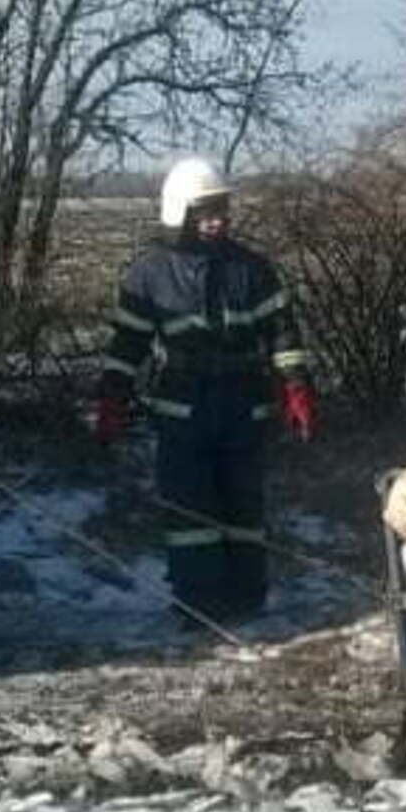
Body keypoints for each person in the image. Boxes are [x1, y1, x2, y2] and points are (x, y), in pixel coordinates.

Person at [93, 156, 316, 625]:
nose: (216, 222)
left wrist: (296, 388)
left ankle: (247, 598)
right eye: (205, 213)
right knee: (190, 512)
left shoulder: (252, 268)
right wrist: (113, 396)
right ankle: (198, 604)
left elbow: (282, 334)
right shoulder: (149, 274)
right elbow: (128, 344)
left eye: (221, 211)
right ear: (180, 212)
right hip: (182, 409)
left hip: (243, 405)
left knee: (243, 505)